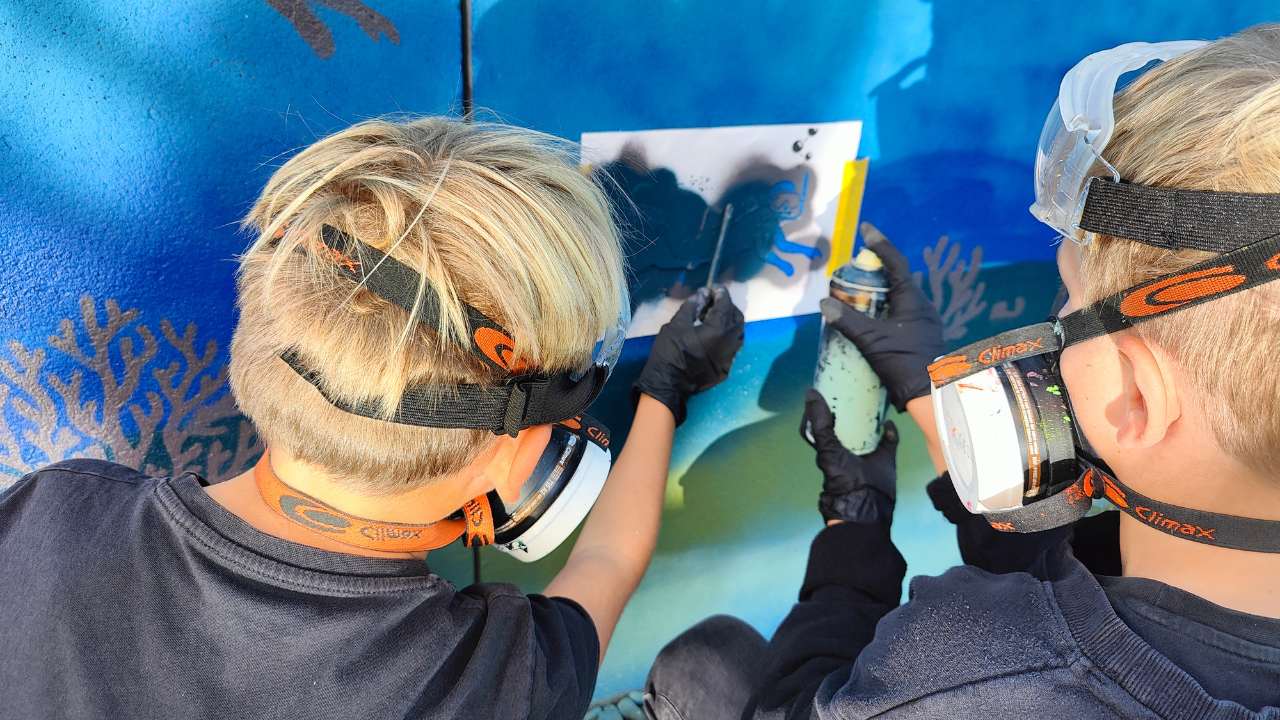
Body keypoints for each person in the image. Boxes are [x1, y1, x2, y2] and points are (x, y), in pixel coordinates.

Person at [0, 117, 745, 719]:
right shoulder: (490, 681)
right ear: (511, 452)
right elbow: (607, 564)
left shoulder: (56, 511)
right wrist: (667, 387)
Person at [645, 25, 1280, 719]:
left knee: (703, 667)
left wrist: (851, 526)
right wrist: (925, 395)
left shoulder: (965, 671)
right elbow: (1063, 560)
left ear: (1134, 396)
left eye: (1068, 293)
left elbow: (803, 705)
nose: (1058, 311)